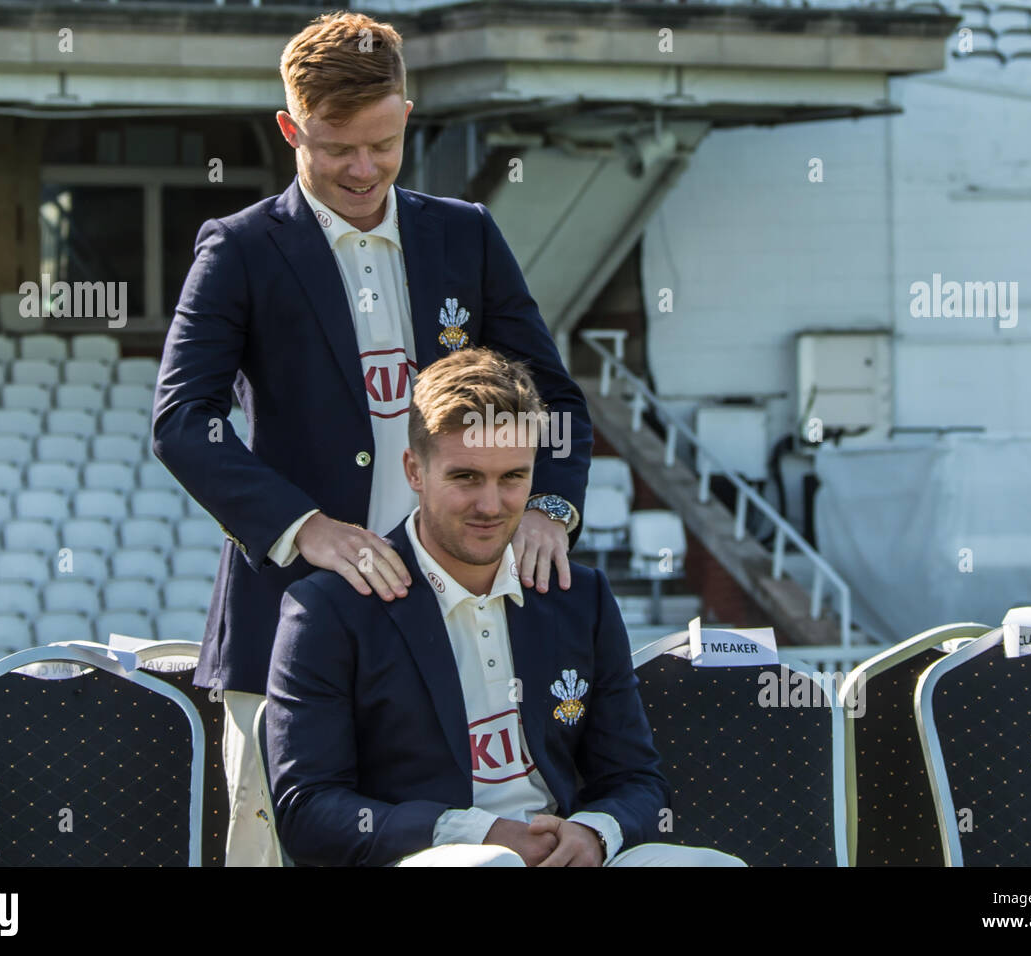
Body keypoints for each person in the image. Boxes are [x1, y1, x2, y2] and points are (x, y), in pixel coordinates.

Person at [151, 11, 592, 866]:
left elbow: (554, 396)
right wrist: (303, 528)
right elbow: (182, 419)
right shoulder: (238, 249)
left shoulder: (464, 232)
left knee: (465, 849)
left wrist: (548, 507)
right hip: (291, 624)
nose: (363, 169)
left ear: (406, 115)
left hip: (458, 617)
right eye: (335, 146)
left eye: (383, 145)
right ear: (290, 128)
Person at [266, 348, 745, 866]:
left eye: (512, 477)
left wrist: (593, 833)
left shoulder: (579, 597)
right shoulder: (327, 609)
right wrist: (476, 834)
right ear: (414, 470)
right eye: (466, 477)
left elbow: (636, 780)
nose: (491, 505)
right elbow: (307, 811)